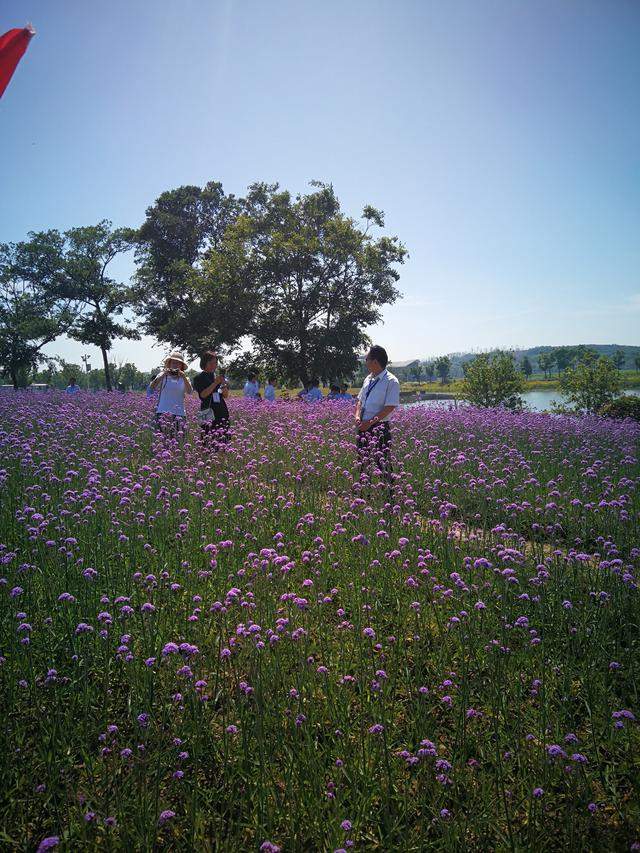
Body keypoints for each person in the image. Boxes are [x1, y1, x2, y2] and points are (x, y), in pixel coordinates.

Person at [355, 345, 400, 484]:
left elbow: (389, 407)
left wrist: (370, 423)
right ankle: (363, 494)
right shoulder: (368, 379)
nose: (365, 361)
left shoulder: (391, 381)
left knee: (383, 464)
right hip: (363, 425)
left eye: (367, 358)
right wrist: (357, 416)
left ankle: (389, 498)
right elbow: (360, 400)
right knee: (363, 462)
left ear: (375, 361)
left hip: (380, 427)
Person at [150, 350, 192, 437]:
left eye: (178, 363)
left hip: (179, 414)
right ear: (169, 364)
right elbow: (152, 387)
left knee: (179, 442)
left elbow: (189, 391)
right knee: (161, 442)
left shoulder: (185, 378)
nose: (175, 365)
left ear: (181, 366)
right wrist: (163, 375)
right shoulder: (162, 375)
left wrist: (183, 377)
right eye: (173, 362)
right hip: (162, 413)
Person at [192, 350, 230, 443]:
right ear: (204, 363)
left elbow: (225, 395)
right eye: (211, 363)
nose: (214, 365)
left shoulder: (216, 377)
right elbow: (203, 395)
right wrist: (215, 383)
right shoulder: (199, 378)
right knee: (208, 441)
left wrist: (224, 385)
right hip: (208, 412)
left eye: (215, 363)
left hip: (222, 412)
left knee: (224, 442)